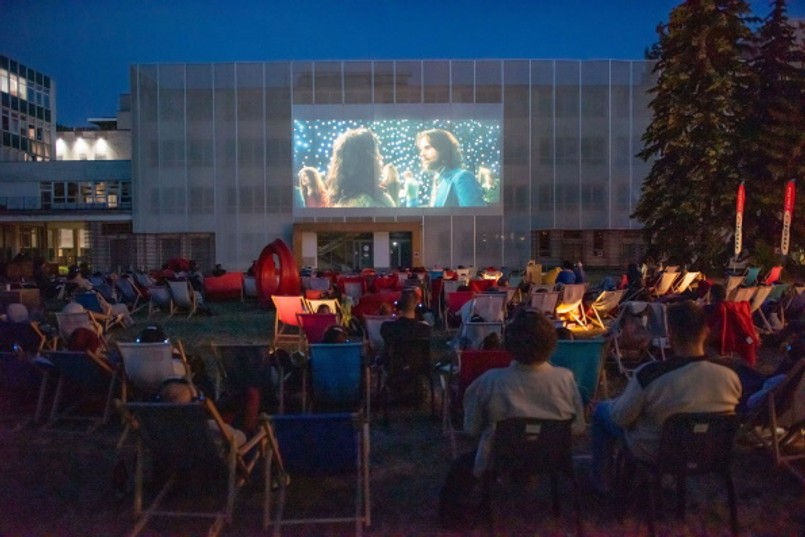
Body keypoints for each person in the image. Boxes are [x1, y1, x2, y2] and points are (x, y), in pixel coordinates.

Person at [439, 309, 585, 527]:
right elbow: (578, 427)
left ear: (509, 344)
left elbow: (471, 429)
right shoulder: (565, 379)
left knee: (461, 467)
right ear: (551, 343)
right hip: (552, 457)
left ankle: (452, 518)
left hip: (500, 459)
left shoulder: (490, 381)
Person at [590, 300, 742, 494]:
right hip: (710, 451)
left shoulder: (650, 375)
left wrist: (611, 406)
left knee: (603, 411)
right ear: (705, 331)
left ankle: (603, 482)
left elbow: (621, 418)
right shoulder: (730, 376)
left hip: (656, 451)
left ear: (670, 335)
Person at [326, 128, 395, 208]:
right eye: (376, 153)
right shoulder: (367, 205)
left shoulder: (348, 201)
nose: (380, 158)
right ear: (366, 161)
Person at [416, 129, 485, 208]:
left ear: (442, 148)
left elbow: (475, 218)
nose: (422, 154)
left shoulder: (462, 177)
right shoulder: (438, 179)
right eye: (421, 149)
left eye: (427, 147)